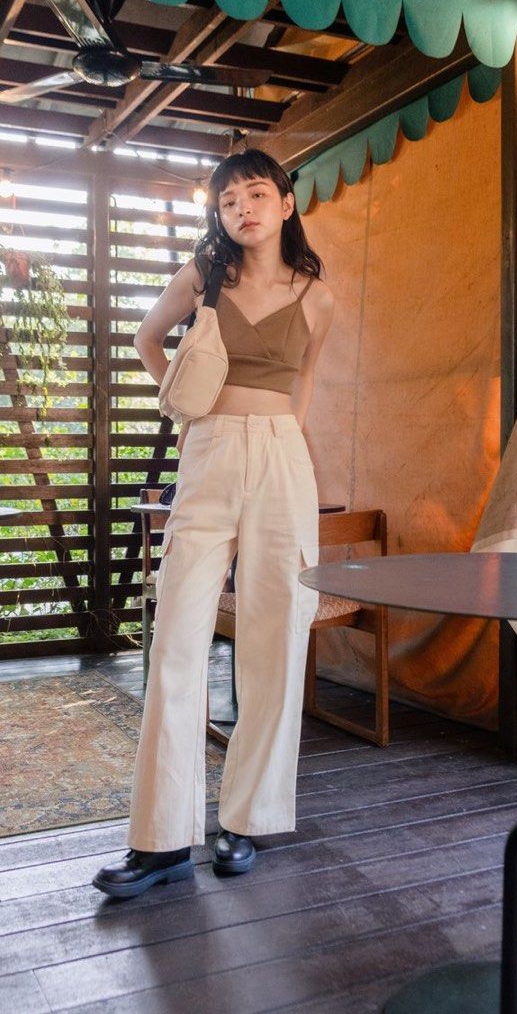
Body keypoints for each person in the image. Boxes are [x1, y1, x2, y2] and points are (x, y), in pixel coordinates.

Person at [94, 148, 335, 898]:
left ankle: (248, 820)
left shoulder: (317, 296)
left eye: (256, 194)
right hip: (207, 450)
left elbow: (304, 385)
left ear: (286, 204)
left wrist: (282, 443)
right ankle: (161, 840)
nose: (242, 209)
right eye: (228, 201)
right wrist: (188, 405)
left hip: (282, 458)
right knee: (175, 639)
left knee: (276, 636)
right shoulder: (204, 276)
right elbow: (145, 338)